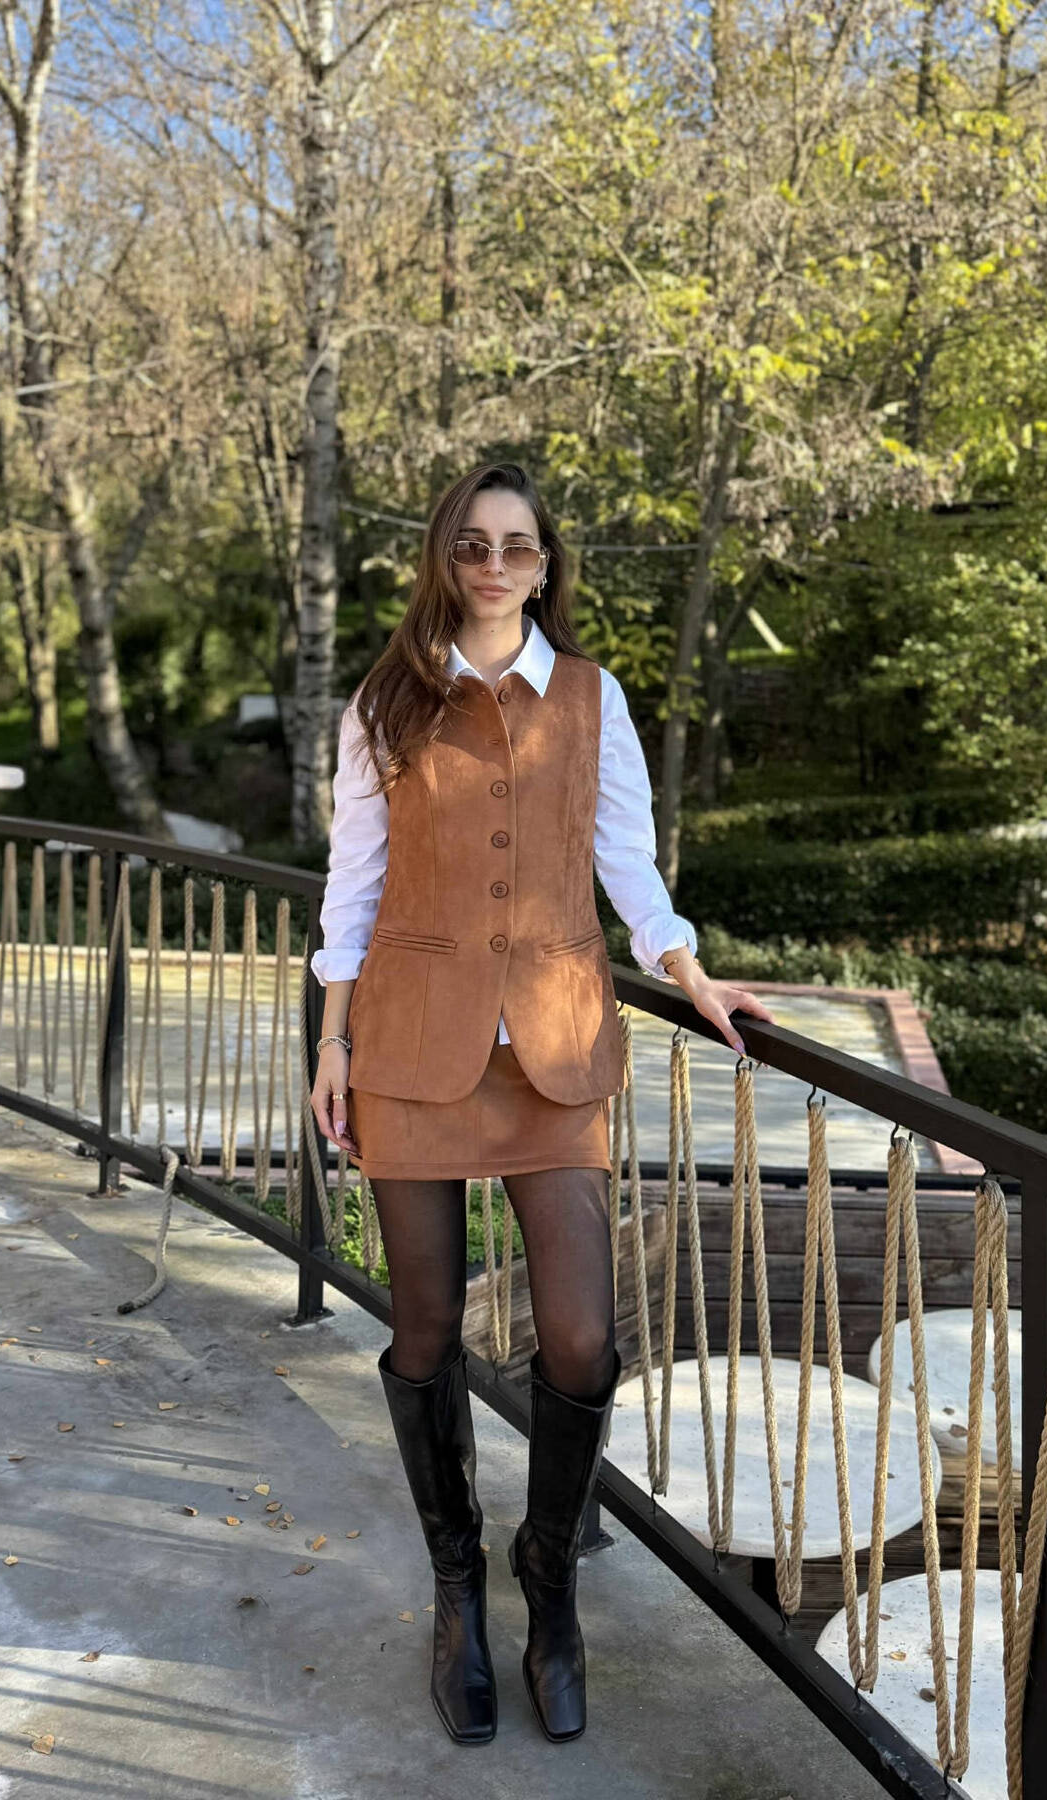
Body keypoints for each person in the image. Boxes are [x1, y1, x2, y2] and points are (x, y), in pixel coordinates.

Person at [309, 461, 776, 1746]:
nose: (496, 566)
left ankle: (547, 1573)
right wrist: (332, 1040)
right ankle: (458, 1586)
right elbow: (355, 881)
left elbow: (625, 857)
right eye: (473, 544)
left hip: (559, 1048)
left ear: (546, 563)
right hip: (411, 1044)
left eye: (518, 546)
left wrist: (689, 971)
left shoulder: (590, 695)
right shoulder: (385, 699)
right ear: (444, 557)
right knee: (424, 1329)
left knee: (579, 1340)